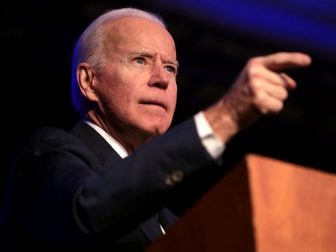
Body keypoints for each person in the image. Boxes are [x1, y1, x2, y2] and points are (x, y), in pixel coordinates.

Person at [0, 7, 311, 252]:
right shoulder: (46, 154)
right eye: (140, 60)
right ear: (88, 81)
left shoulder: (171, 221)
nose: (162, 79)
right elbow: (87, 212)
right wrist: (224, 117)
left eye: (171, 68)